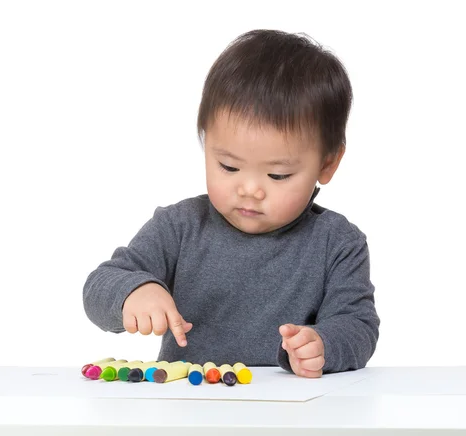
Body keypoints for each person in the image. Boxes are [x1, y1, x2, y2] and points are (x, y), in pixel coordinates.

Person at [83, 29, 380, 378]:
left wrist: (323, 344)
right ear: (206, 144)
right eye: (229, 167)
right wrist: (134, 290)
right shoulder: (179, 227)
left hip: (293, 409)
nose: (250, 189)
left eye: (278, 175)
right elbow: (100, 285)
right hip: (191, 405)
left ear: (327, 164)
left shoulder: (338, 242)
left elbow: (358, 324)